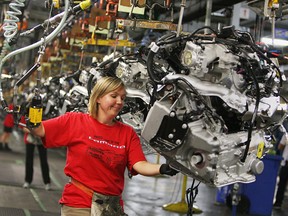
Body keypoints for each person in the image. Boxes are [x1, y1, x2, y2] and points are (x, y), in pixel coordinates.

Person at [29, 76, 178, 215]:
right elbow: (39, 130)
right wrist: (33, 112)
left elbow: (139, 164)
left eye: (123, 98)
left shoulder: (127, 133)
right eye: (114, 96)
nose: (119, 101)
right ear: (99, 98)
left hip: (111, 207)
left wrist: (162, 168)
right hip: (79, 203)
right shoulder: (76, 121)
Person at [21, 124, 51, 190]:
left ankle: (47, 182)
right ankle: (27, 181)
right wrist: (34, 131)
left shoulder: (44, 114)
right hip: (30, 138)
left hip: (42, 138)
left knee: (43, 161)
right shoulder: (28, 114)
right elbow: (23, 128)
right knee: (29, 160)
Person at [274, 131, 288, 209]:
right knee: (282, 184)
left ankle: (278, 203)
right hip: (286, 163)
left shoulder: (286, 135)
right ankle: (278, 203)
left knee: (282, 184)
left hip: (286, 163)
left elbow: (280, 147)